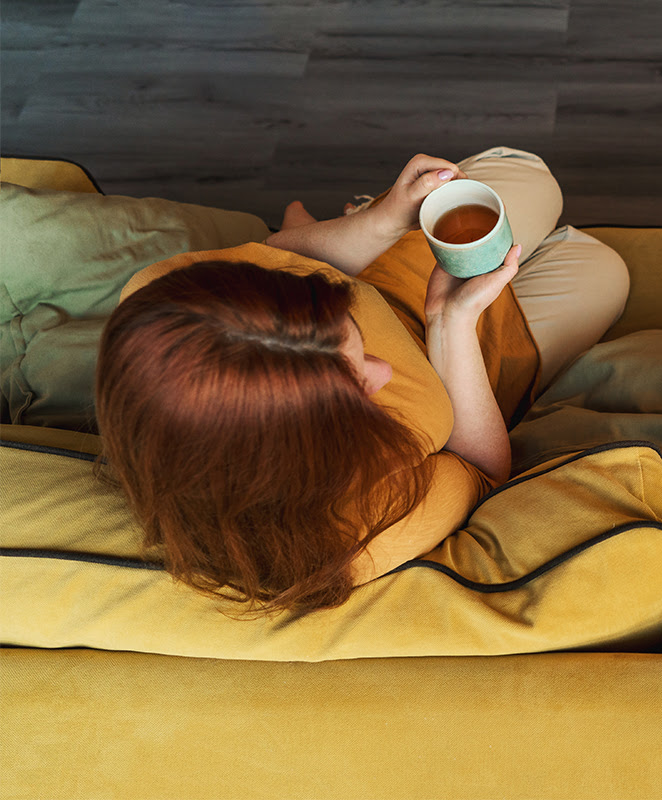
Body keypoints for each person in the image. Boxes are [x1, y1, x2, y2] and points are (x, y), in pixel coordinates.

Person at [96, 148, 629, 615]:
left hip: (393, 274)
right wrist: (450, 325)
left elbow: (288, 260)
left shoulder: (169, 303)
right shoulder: (363, 527)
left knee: (529, 174)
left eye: (354, 336)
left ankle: (353, 216)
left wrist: (385, 220)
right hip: (472, 352)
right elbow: (484, 471)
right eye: (356, 386)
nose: (386, 371)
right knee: (604, 268)